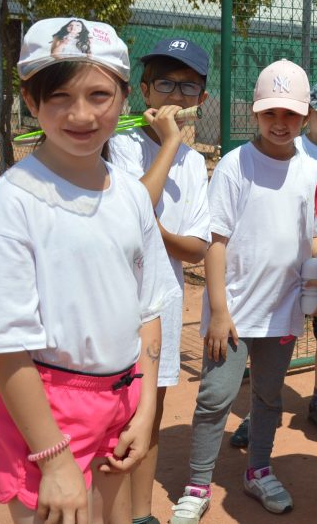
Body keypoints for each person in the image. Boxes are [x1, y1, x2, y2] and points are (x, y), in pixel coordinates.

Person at [0, 17, 177, 524]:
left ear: (123, 98)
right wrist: (53, 458)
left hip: (123, 396)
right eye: (59, 97)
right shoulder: (14, 201)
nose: (81, 114)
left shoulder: (133, 195)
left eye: (99, 95)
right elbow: (4, 346)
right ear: (31, 102)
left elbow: (150, 307)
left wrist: (145, 410)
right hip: (45, 413)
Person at [170, 60, 317, 523]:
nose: (280, 124)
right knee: (214, 398)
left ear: (304, 115)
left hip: (282, 311)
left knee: (269, 398)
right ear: (256, 114)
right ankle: (197, 483)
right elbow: (216, 242)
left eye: (290, 114)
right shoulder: (234, 164)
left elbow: (314, 238)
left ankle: (258, 470)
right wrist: (219, 311)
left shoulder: (310, 171)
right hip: (234, 313)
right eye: (271, 114)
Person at [108, 37, 212, 524]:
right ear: (143, 93)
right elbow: (131, 215)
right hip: (113, 302)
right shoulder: (119, 144)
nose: (175, 97)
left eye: (187, 87)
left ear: (202, 100)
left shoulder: (194, 166)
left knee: (148, 410)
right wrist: (170, 142)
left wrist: (156, 234)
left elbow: (197, 249)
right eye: (164, 84)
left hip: (162, 303)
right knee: (108, 412)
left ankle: (141, 513)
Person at [229, 80, 317, 446]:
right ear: (309, 114)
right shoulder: (289, 148)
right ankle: (257, 412)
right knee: (272, 336)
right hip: (286, 265)